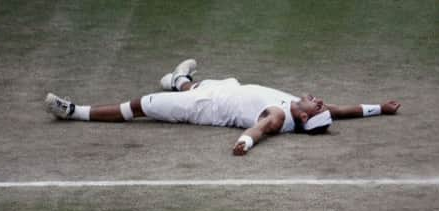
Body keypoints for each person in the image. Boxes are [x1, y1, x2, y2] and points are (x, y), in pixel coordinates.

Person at [45, 59, 400, 156]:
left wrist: (244, 143)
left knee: (140, 106)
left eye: (316, 105)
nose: (320, 100)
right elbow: (341, 111)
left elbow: (258, 130)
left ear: (303, 117)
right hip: (226, 90)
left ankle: (74, 111)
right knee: (200, 82)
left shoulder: (278, 116)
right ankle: (177, 79)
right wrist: (380, 108)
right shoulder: (299, 108)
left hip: (203, 108)